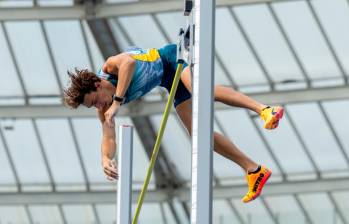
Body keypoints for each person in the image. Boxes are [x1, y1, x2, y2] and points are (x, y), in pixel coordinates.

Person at [63, 44, 284, 203]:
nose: (98, 106)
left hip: (170, 59)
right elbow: (108, 137)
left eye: (94, 101)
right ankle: (253, 169)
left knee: (202, 92)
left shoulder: (110, 67)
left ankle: (264, 109)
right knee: (199, 134)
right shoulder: (105, 109)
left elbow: (128, 63)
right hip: (169, 81)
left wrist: (118, 101)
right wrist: (105, 158)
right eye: (92, 106)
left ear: (97, 84)